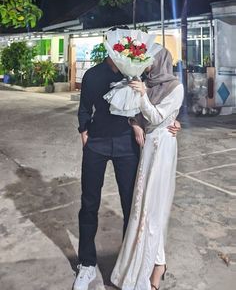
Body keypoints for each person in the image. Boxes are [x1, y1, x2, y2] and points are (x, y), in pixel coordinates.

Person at [73, 30, 181, 290]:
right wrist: (84, 132)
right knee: (89, 203)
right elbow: (85, 107)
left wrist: (175, 122)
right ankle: (86, 264)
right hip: (97, 144)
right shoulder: (93, 75)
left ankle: (130, 262)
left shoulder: (138, 74)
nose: (122, 54)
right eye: (118, 50)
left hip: (128, 147)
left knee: (131, 207)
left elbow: (158, 101)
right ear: (111, 49)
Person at [111, 48, 184, 290]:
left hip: (163, 147)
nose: (149, 65)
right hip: (149, 149)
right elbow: (137, 115)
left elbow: (156, 117)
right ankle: (155, 264)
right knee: (142, 207)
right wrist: (134, 123)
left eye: (152, 60)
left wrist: (143, 96)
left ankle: (155, 268)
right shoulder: (149, 84)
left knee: (153, 210)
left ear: (162, 60)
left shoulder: (175, 86)